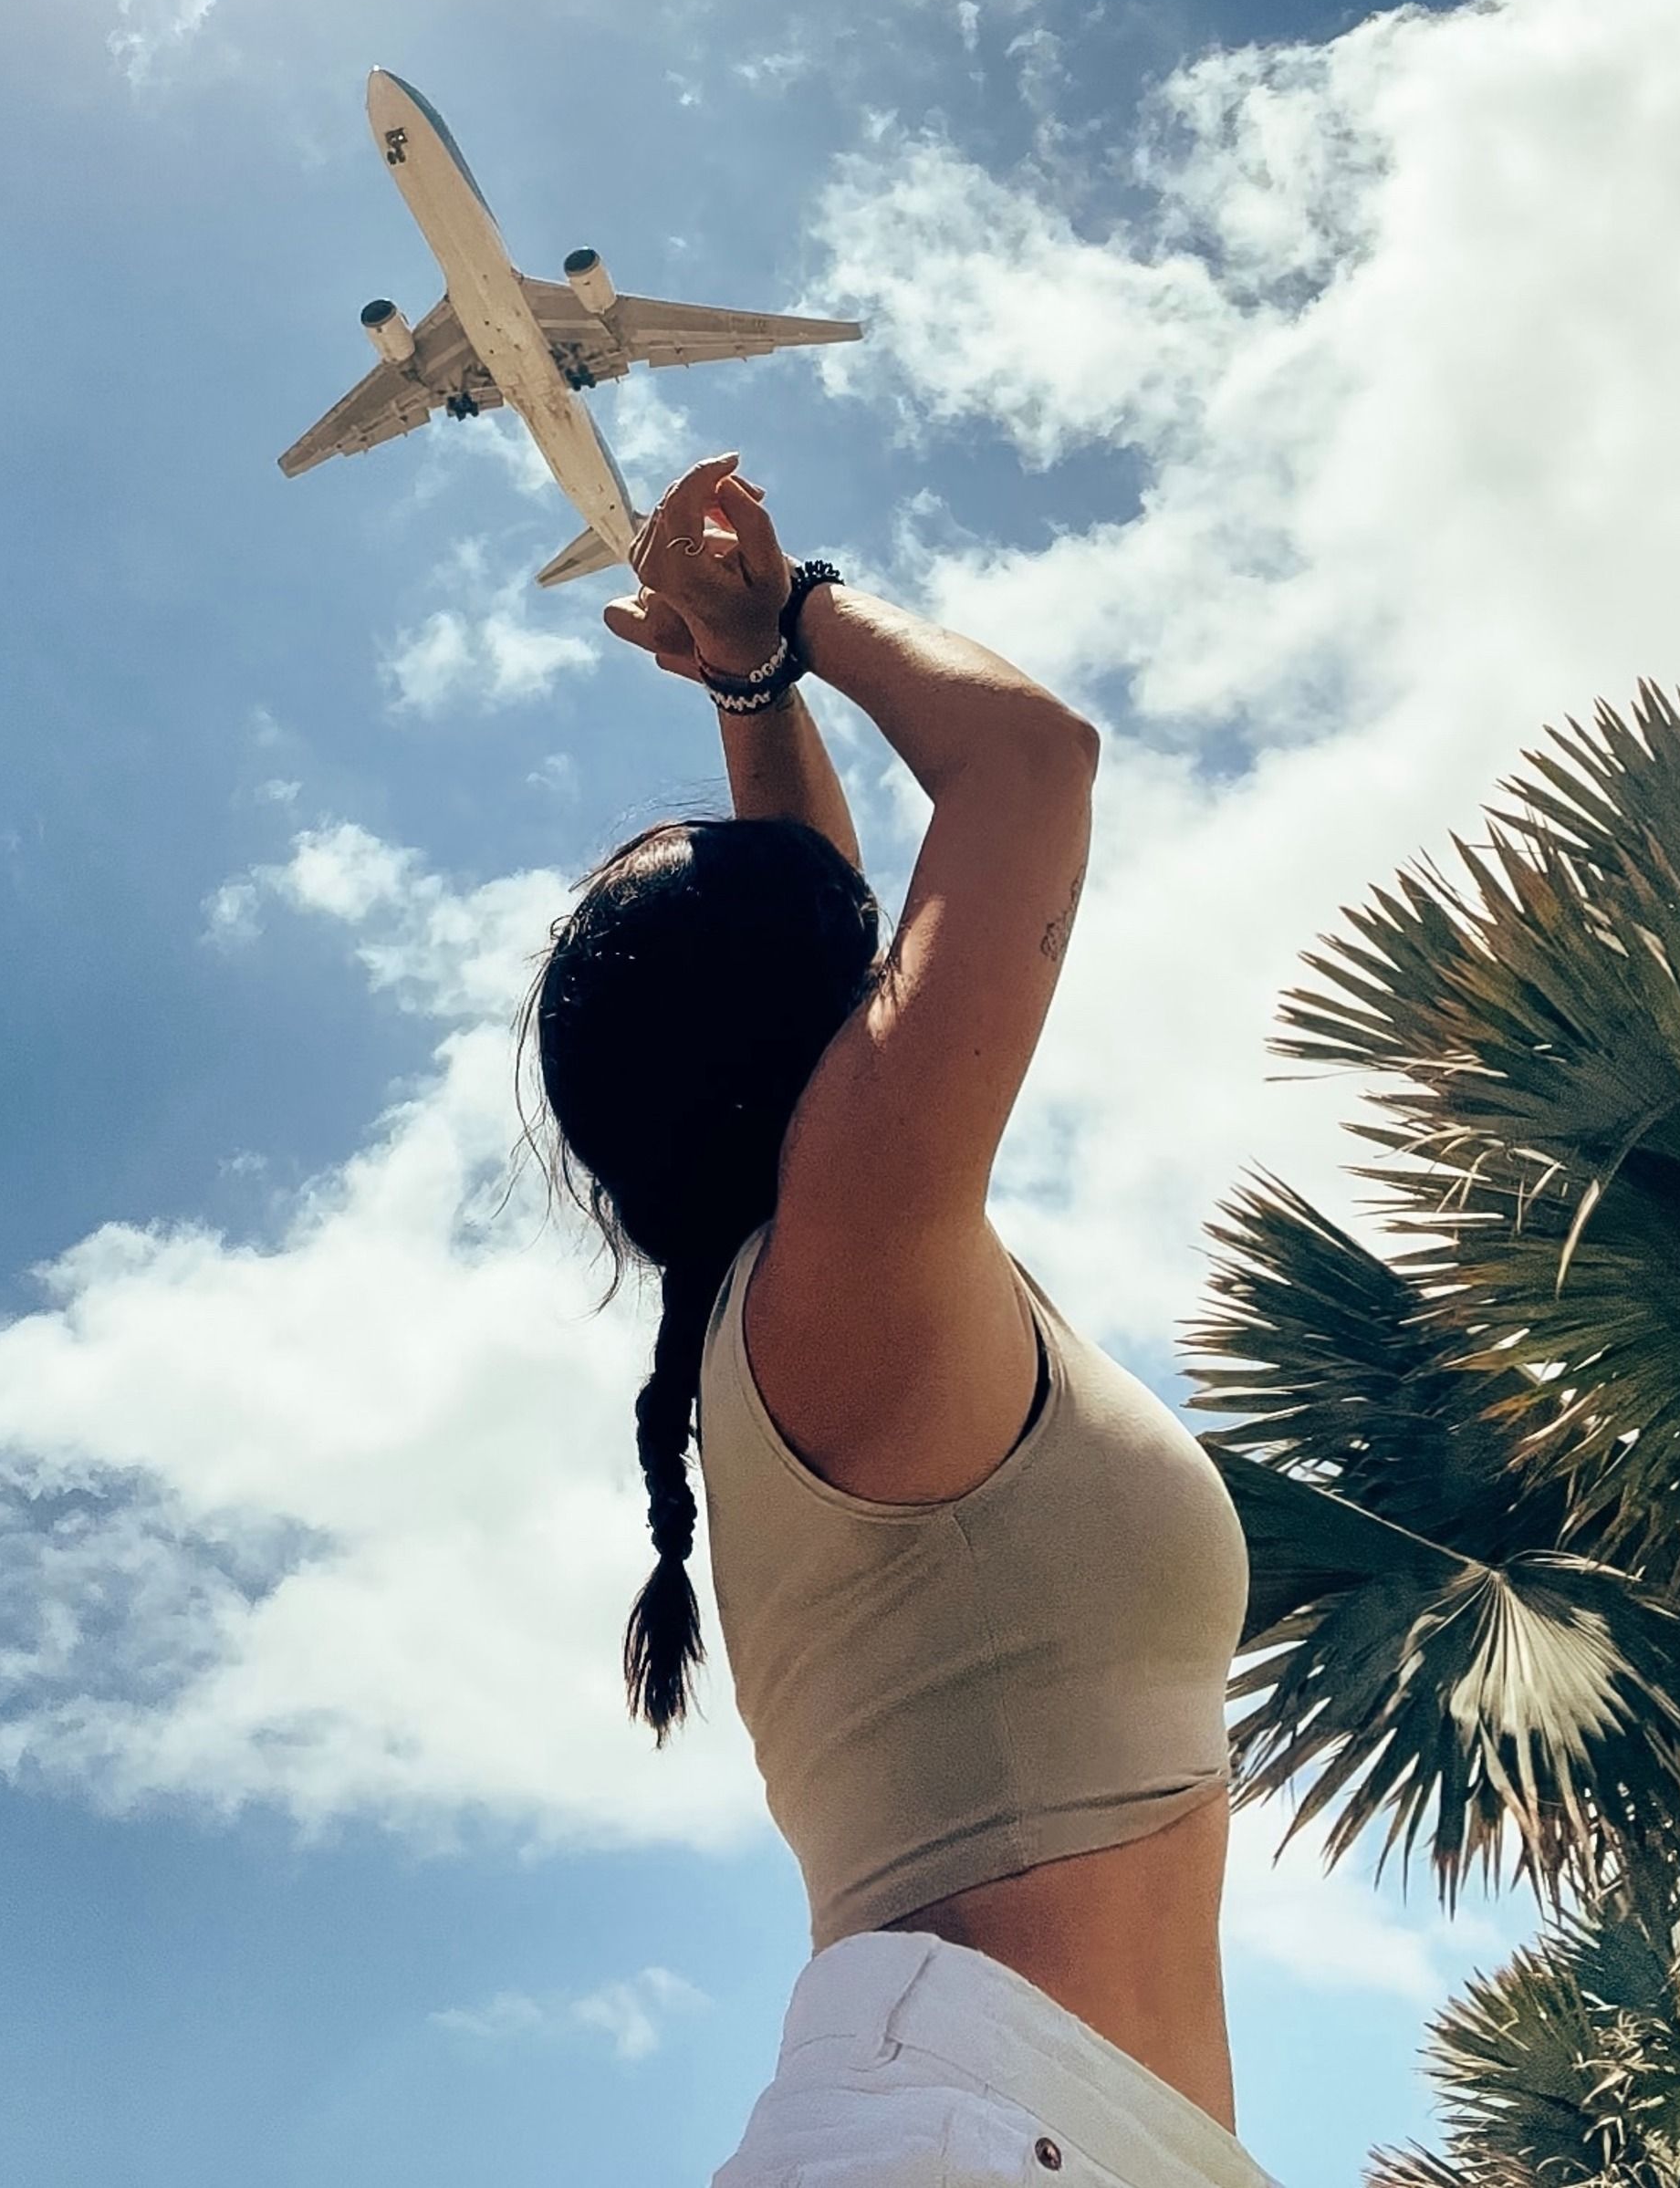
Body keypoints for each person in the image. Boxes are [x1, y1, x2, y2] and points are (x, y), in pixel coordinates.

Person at [528, 453, 1271, 2188]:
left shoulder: (816, 1304)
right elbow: (1031, 765)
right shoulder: (841, 1271)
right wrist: (801, 612)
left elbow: (814, 910)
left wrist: (746, 688)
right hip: (975, 2135)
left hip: (1028, 2130)